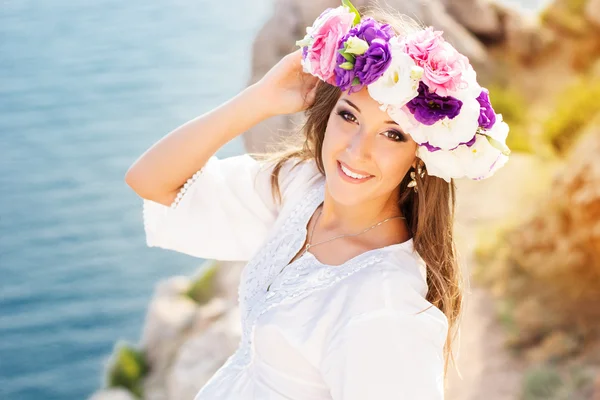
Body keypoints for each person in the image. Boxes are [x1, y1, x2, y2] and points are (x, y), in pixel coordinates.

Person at [126, 2, 510, 399]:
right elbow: (151, 181)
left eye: (393, 134)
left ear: (421, 157)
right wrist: (261, 99)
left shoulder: (385, 305)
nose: (357, 150)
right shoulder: (304, 188)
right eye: (349, 116)